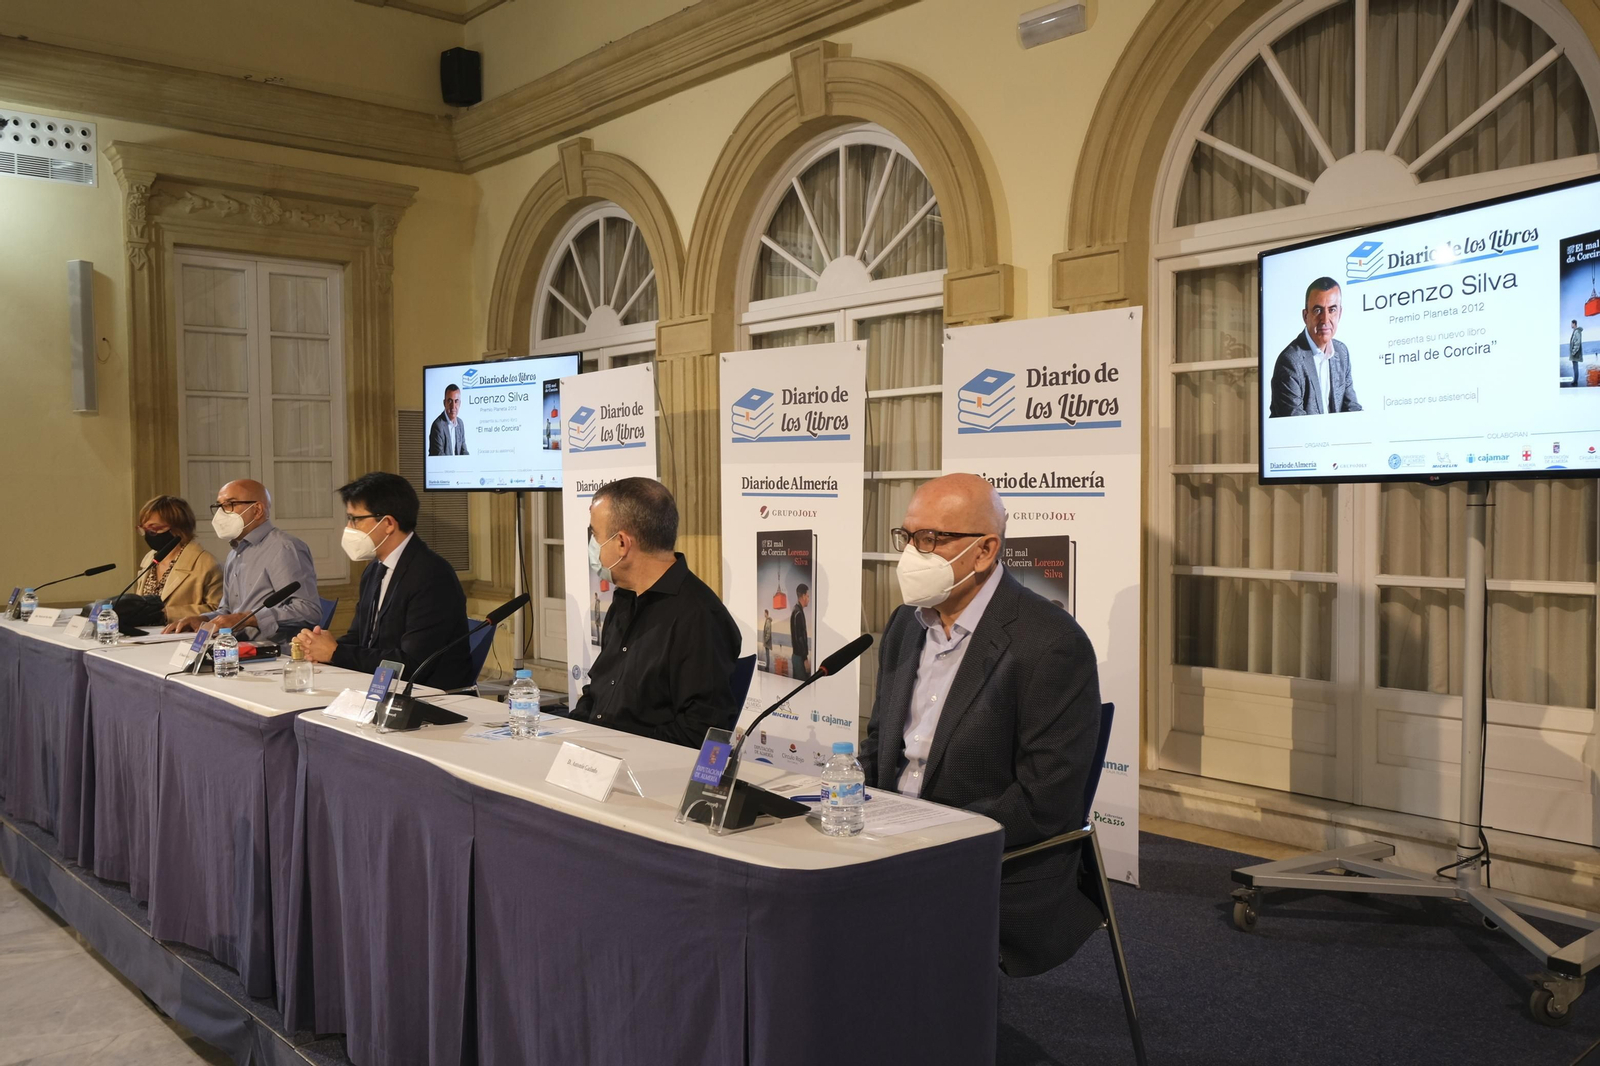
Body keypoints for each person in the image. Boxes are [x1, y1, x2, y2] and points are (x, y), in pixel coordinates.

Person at [860, 473, 1104, 978]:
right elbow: (880, 743)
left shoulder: (1050, 643)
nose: (913, 553)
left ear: (985, 551)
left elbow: (1045, 800)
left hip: (986, 856)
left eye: (931, 539)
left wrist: (932, 838)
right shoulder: (907, 624)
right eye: (907, 537)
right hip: (886, 838)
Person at [568, 477, 740, 747]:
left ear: (622, 544)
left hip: (650, 773)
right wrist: (567, 736)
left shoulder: (700, 618)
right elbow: (599, 692)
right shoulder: (625, 599)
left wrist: (619, 748)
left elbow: (702, 732)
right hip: (597, 760)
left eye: (595, 535)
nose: (592, 545)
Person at [292, 472, 474, 689]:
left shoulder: (431, 575)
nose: (349, 528)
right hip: (380, 688)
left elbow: (412, 664)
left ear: (388, 523)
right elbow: (361, 638)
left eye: (355, 519)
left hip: (431, 698)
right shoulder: (375, 569)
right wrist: (320, 647)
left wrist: (336, 653)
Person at [164, 479, 321, 641]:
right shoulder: (235, 552)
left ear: (257, 510)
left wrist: (249, 618)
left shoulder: (284, 548)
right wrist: (203, 619)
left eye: (230, 504)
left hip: (276, 654)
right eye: (219, 506)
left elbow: (308, 611)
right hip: (235, 649)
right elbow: (227, 611)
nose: (221, 513)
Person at [1269, 277, 1362, 417]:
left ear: (1340, 314)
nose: (1325, 319)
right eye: (1318, 310)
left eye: (1332, 310)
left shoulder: (1342, 352)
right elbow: (1295, 426)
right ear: (1305, 316)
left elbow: (1352, 409)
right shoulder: (1289, 362)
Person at [133, 495, 223, 622]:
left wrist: (166, 614)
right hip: (148, 635)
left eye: (153, 529)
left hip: (184, 636)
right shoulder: (150, 558)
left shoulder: (206, 563)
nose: (147, 535)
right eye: (143, 529)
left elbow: (218, 610)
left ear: (177, 528)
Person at [428, 383, 468, 456]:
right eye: (450, 401)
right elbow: (439, 457)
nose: (453, 406)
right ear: (444, 403)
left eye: (456, 401)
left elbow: (464, 451)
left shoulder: (460, 423)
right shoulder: (438, 426)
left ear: (460, 403)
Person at [790, 583, 811, 677]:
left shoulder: (797, 611)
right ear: (803, 596)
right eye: (808, 596)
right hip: (799, 657)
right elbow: (799, 638)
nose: (809, 599)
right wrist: (805, 659)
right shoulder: (798, 613)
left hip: (797, 656)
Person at [1572, 319, 1585, 388]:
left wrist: (1573, 352)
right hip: (1575, 353)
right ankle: (1575, 381)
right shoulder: (1575, 331)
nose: (1571, 325)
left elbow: (1577, 343)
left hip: (1575, 353)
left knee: (1575, 367)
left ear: (1574, 324)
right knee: (1575, 367)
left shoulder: (1577, 332)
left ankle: (1575, 381)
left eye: (1571, 324)